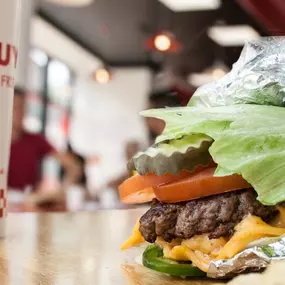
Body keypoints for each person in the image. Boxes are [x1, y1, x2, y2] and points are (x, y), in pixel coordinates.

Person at [8, 87, 81, 204]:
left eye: (23, 108)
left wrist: (62, 190)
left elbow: (73, 166)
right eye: (15, 108)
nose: (20, 113)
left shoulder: (34, 139)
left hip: (28, 204)